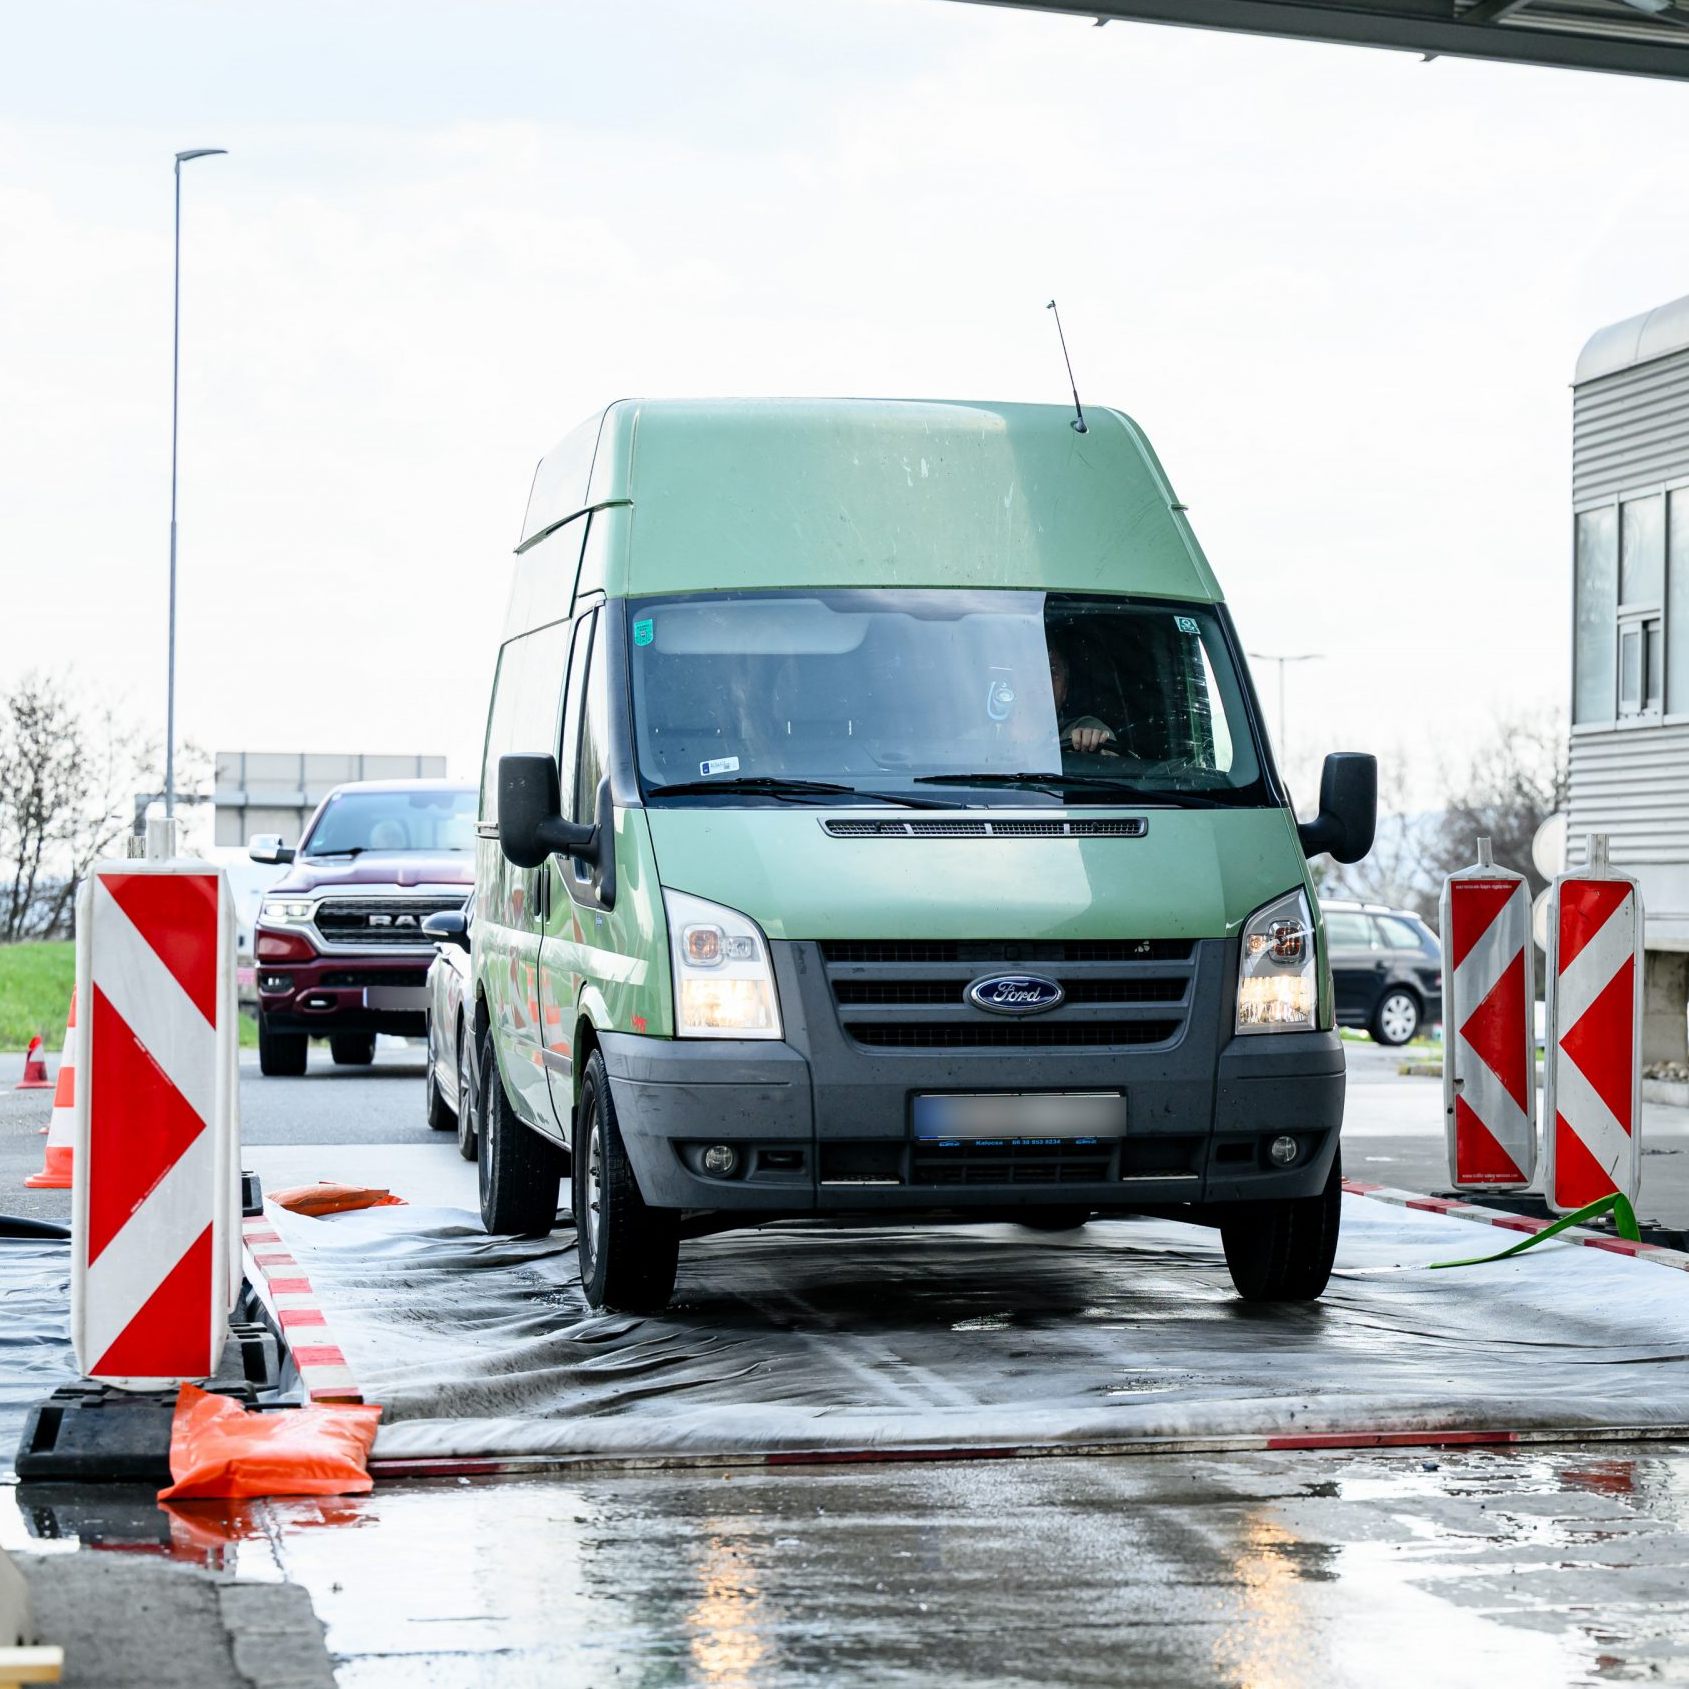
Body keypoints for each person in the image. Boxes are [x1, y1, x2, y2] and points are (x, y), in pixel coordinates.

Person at [1047, 635, 1117, 755]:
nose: (1044, 680)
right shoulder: (1003, 736)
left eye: (1052, 671)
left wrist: (1090, 743)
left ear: (1064, 690)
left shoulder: (1083, 728)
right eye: (1032, 671)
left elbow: (1113, 765)